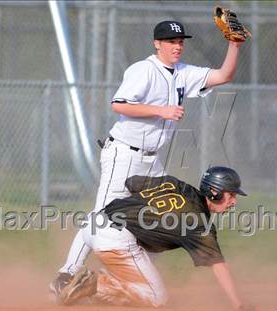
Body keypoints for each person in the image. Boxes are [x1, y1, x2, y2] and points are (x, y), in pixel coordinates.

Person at [50, 20, 247, 298]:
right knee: (102, 216)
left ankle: (125, 277)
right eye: (170, 41)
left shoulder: (183, 72)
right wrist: (161, 111)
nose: (177, 46)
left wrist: (234, 45)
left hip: (151, 159)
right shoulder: (143, 70)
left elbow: (224, 75)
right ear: (157, 43)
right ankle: (66, 273)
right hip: (124, 153)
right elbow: (119, 104)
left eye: (180, 42)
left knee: (152, 217)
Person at [58, 166, 254, 310]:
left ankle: (95, 286)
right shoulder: (198, 222)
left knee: (148, 252)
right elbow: (218, 265)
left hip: (95, 222)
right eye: (231, 194)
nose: (234, 201)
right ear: (215, 191)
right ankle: (94, 285)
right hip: (115, 236)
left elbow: (132, 182)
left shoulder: (177, 185)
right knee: (156, 298)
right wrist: (239, 305)